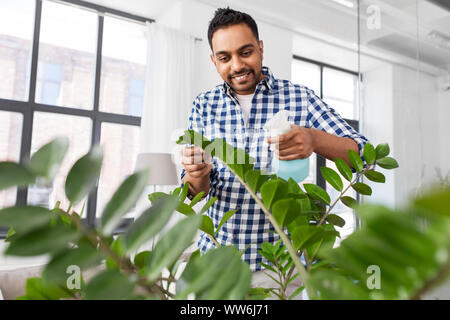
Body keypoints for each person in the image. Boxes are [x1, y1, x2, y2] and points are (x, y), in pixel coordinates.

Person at [180, 7, 369, 297]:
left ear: (261, 48)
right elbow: (193, 190)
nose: (237, 65)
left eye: (246, 52)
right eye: (225, 57)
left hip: (280, 267)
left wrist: (314, 139)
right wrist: (196, 175)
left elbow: (364, 154)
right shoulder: (203, 105)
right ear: (214, 60)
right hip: (217, 263)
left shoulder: (299, 97)